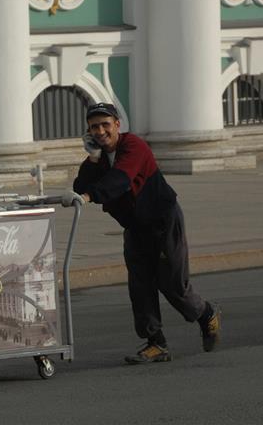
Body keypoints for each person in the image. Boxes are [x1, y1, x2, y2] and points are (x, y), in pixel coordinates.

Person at [70, 102, 221, 364]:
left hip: (163, 220)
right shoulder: (99, 157)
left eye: (105, 124)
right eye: (94, 127)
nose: (100, 131)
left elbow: (121, 179)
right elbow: (80, 185)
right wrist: (92, 160)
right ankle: (156, 344)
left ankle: (205, 313)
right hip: (135, 226)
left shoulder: (134, 146)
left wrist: (89, 195)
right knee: (140, 285)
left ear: (117, 124)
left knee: (173, 284)